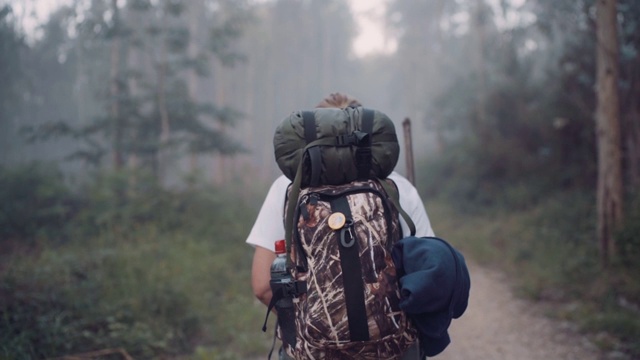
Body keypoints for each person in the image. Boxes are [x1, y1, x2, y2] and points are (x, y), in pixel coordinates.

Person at [246, 93, 435, 359]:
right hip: (394, 349)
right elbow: (430, 279)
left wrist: (313, 330)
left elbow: (262, 286)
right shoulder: (398, 187)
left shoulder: (287, 187)